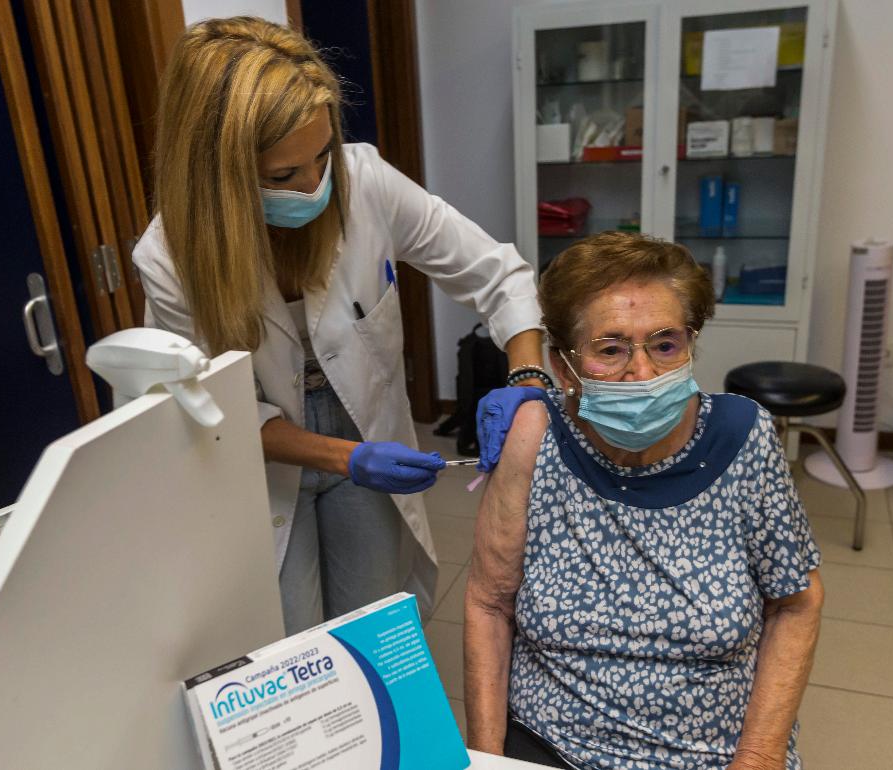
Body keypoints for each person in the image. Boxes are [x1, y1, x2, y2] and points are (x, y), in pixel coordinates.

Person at [132, 17, 550, 634]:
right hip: (260, 468)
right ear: (217, 177)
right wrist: (345, 458)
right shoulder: (168, 259)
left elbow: (498, 274)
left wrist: (527, 376)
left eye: (322, 155)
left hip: (366, 434)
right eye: (282, 177)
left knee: (368, 631)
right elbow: (219, 413)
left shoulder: (366, 183)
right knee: (292, 648)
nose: (315, 185)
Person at [464, 232, 824, 769]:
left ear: (691, 343)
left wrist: (760, 755)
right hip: (554, 743)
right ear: (564, 368)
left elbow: (796, 603)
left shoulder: (743, 434)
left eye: (664, 344)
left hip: (714, 752)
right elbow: (488, 605)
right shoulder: (534, 436)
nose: (643, 372)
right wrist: (488, 761)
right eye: (610, 350)